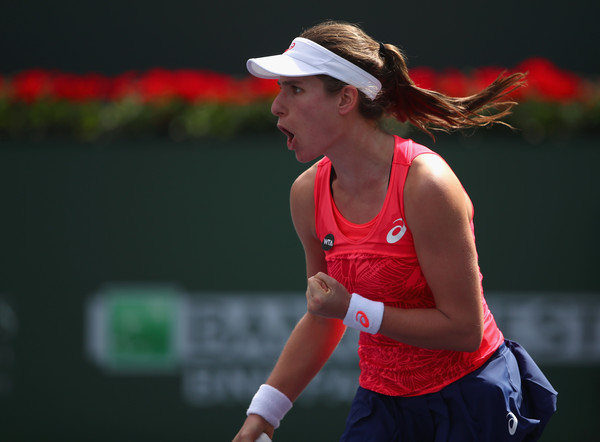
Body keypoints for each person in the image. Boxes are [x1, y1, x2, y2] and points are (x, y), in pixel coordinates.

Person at [233, 20, 557, 442]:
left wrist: (353, 309)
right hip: (382, 406)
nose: (277, 106)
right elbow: (324, 313)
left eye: (294, 89)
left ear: (345, 98)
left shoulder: (427, 184)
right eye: (280, 89)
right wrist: (263, 416)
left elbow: (463, 328)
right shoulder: (306, 194)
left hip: (470, 398)